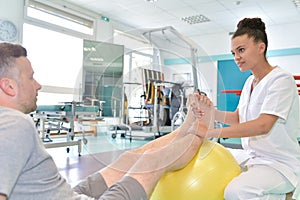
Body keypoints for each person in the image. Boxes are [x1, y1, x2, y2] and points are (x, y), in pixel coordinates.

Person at [0, 42, 208, 200]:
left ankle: (184, 130)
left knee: (131, 156)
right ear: (9, 87)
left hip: (64, 193)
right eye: (30, 78)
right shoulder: (13, 123)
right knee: (150, 163)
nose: (38, 85)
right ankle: (199, 131)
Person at [191, 18, 300, 199]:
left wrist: (212, 131)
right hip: (252, 156)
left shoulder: (281, 80)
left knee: (236, 192)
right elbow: (238, 117)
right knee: (207, 156)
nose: (236, 58)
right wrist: (209, 111)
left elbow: (262, 125)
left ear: (261, 47)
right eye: (233, 53)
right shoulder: (250, 82)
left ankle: (286, 195)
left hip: (279, 163)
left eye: (241, 50)